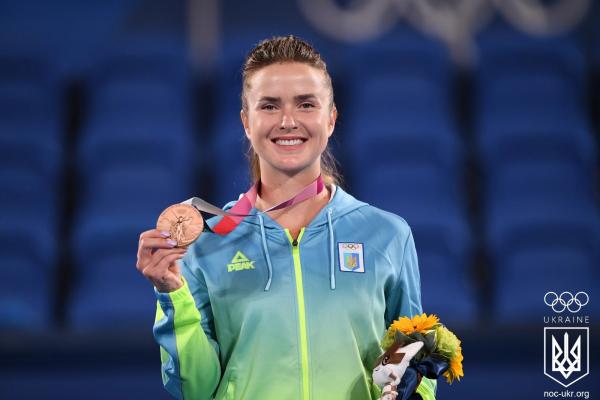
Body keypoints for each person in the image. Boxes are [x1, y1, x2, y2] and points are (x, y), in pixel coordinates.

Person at [136, 35, 437, 400]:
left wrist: (413, 391)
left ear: (331, 118)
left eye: (306, 104)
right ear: (247, 122)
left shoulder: (386, 235)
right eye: (269, 106)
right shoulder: (208, 243)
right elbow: (195, 388)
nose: (288, 121)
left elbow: (416, 364)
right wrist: (173, 295)